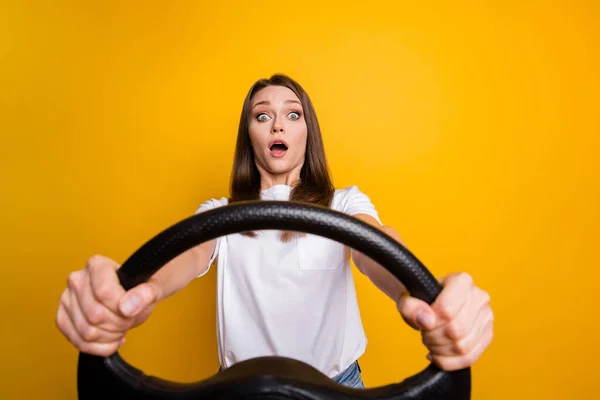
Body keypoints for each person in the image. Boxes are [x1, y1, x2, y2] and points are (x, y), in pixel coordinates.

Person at [55, 74, 494, 389]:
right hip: (241, 390)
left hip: (338, 385)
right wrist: (138, 292)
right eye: (262, 116)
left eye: (292, 114)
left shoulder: (344, 203)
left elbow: (375, 245)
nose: (277, 124)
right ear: (250, 135)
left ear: (307, 132)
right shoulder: (221, 214)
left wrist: (425, 296)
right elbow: (188, 254)